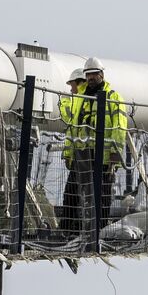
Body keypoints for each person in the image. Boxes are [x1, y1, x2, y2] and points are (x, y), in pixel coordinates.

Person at [57, 59, 127, 239]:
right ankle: (66, 232)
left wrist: (115, 155)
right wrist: (68, 154)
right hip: (81, 155)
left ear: (101, 75)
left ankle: (99, 232)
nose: (91, 77)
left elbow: (119, 128)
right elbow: (72, 126)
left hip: (102, 157)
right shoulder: (81, 98)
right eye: (88, 74)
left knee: (102, 195)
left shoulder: (113, 97)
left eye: (94, 74)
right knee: (71, 194)